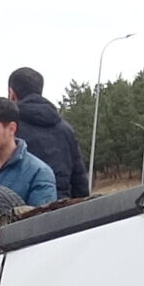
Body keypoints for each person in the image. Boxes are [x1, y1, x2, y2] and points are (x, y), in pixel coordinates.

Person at [7, 67, 89, 200]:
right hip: (63, 210)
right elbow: (79, 181)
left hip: (22, 213)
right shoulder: (65, 129)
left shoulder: (8, 130)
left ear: (12, 94)